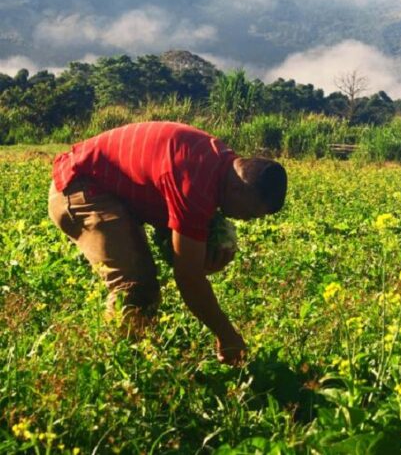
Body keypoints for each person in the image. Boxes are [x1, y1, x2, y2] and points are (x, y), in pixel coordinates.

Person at [48, 122, 287, 365]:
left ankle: (137, 361)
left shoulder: (220, 164)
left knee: (144, 288)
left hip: (106, 189)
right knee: (136, 289)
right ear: (238, 187)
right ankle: (112, 368)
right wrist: (227, 336)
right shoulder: (196, 183)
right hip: (79, 187)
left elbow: (187, 261)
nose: (247, 220)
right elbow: (188, 278)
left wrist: (199, 260)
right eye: (250, 212)